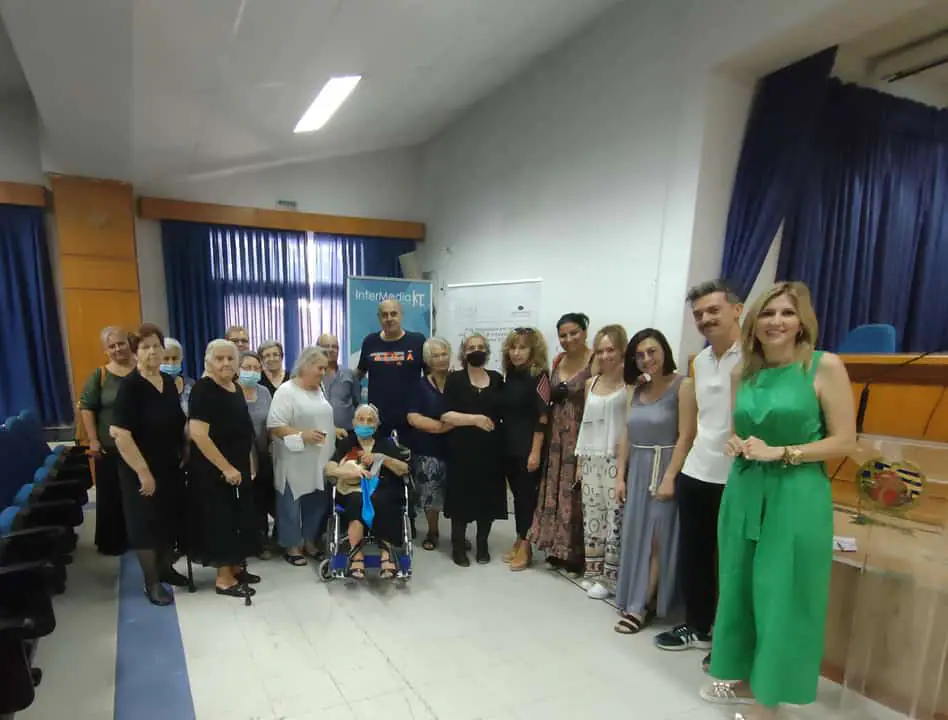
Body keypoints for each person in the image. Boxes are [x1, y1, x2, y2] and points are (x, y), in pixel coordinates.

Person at [701, 282, 855, 720]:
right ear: (753, 321)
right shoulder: (742, 372)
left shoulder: (824, 366)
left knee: (781, 593)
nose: (776, 322)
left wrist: (783, 452)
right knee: (740, 587)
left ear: (802, 321)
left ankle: (769, 700)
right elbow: (739, 429)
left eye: (786, 313)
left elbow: (845, 441)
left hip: (797, 493)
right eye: (767, 314)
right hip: (745, 488)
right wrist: (735, 443)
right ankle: (745, 676)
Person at [654, 280, 742, 661]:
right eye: (699, 314)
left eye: (713, 310)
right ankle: (699, 627)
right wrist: (674, 474)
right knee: (696, 556)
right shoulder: (700, 362)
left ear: (737, 310)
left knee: (733, 563)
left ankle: (731, 641)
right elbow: (692, 427)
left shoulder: (755, 357)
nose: (705, 319)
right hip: (698, 470)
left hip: (736, 475)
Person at [614, 328, 695, 633]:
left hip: (666, 467)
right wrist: (620, 476)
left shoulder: (683, 386)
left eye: (652, 351)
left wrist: (670, 476)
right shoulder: (636, 391)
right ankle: (633, 595)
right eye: (640, 355)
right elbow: (626, 434)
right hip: (638, 470)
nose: (647, 359)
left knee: (658, 538)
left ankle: (642, 604)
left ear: (665, 351)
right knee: (637, 535)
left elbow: (687, 435)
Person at [109, 324, 188, 606]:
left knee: (168, 520)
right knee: (145, 526)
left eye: (156, 346)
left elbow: (178, 422)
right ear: (135, 353)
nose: (153, 351)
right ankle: (152, 582)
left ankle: (166, 569)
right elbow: (121, 434)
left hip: (169, 465)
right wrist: (143, 473)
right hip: (139, 469)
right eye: (145, 347)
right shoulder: (131, 387)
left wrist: (185, 449)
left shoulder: (167, 382)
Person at [188, 339, 260, 598]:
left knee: (239, 518)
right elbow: (199, 434)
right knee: (222, 521)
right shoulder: (203, 390)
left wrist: (249, 462)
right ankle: (224, 578)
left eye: (231, 358)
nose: (226, 363)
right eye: (219, 359)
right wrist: (226, 467)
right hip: (214, 469)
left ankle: (236, 566)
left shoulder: (235, 388)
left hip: (239, 466)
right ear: (208, 362)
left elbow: (244, 429)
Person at [529, 312, 592, 575]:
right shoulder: (557, 360)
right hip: (556, 434)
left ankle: (577, 553)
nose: (568, 339)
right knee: (555, 488)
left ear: (585, 332)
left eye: (574, 333)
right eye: (563, 335)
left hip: (582, 432)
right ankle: (557, 548)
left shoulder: (595, 360)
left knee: (576, 491)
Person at [267, 346, 336, 566]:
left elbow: (322, 417)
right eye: (319, 368)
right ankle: (292, 546)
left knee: (316, 500)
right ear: (305, 366)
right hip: (293, 458)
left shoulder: (319, 389)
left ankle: (309, 541)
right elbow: (275, 425)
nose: (323, 372)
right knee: (291, 503)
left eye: (325, 368)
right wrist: (302, 434)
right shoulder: (286, 391)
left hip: (319, 457)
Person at [441, 334, 506, 567]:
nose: (476, 350)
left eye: (480, 347)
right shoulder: (455, 379)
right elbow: (446, 415)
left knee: (487, 499)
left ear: (487, 351)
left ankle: (482, 543)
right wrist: (475, 419)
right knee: (461, 499)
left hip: (491, 451)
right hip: (462, 450)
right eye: (471, 347)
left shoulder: (497, 379)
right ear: (464, 352)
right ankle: (458, 545)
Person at [325, 404, 411, 579]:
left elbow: (404, 469)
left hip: (383, 488)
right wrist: (351, 473)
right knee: (357, 500)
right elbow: (330, 469)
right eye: (361, 419)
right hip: (353, 489)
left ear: (377, 425)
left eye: (370, 420)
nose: (365, 423)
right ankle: (356, 554)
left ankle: (386, 553)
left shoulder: (385, 444)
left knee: (384, 499)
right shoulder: (347, 443)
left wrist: (381, 458)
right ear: (353, 422)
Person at [575, 324, 628, 599]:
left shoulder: (630, 385)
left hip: (614, 459)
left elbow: (629, 427)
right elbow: (586, 422)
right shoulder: (591, 383)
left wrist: (622, 469)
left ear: (622, 350)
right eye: (601, 350)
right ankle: (593, 571)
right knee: (592, 516)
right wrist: (580, 462)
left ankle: (611, 578)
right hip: (591, 456)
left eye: (611, 350)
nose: (606, 355)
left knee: (614, 518)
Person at [79, 326, 135, 556]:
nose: (117, 349)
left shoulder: (142, 370)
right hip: (109, 448)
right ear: (105, 351)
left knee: (139, 495)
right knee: (112, 496)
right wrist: (93, 440)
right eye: (112, 346)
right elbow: (87, 408)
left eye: (121, 343)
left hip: (140, 447)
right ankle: (113, 542)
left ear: (129, 344)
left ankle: (140, 539)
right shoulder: (99, 375)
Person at [498, 328, 550, 572]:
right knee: (518, 497)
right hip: (509, 445)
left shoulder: (539, 376)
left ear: (533, 350)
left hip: (529, 447)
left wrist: (535, 451)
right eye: (513, 347)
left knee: (527, 498)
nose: (516, 353)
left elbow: (543, 417)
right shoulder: (510, 375)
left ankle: (527, 547)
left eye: (522, 348)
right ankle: (519, 538)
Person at [405, 337, 453, 551]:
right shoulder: (418, 385)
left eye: (444, 354)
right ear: (427, 360)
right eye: (436, 355)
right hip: (427, 448)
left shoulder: (458, 382)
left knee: (457, 492)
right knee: (430, 492)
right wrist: (443, 427)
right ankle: (433, 531)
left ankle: (458, 534)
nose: (441, 359)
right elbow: (413, 417)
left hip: (456, 448)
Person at [356, 299, 426, 439]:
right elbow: (358, 374)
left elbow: (430, 378)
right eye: (384, 315)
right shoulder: (370, 342)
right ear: (379, 318)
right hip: (378, 420)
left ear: (401, 315)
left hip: (411, 419)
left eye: (393, 314)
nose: (389, 319)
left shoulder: (418, 341)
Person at [238, 351, 275, 560]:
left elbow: (270, 422)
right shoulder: (232, 390)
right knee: (245, 500)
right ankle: (244, 543)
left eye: (256, 368)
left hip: (263, 452)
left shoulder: (264, 392)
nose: (252, 372)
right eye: (247, 368)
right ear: (238, 369)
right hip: (240, 453)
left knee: (262, 498)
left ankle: (261, 541)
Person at [318, 333, 361, 440]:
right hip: (319, 434)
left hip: (347, 434)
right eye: (326, 346)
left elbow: (357, 403)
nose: (331, 350)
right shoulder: (312, 375)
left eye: (334, 347)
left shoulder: (349, 374)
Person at [161, 337, 195, 415]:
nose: (171, 363)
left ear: (181, 359)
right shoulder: (151, 387)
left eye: (174, 358)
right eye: (166, 359)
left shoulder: (191, 385)